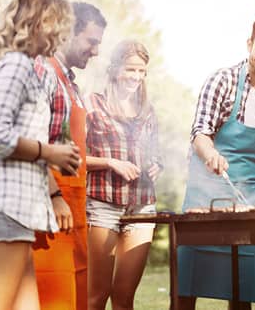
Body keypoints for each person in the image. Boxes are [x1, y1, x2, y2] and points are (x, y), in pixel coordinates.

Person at [0, 0, 81, 310]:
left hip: (14, 212)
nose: (62, 36)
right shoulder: (16, 66)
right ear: (39, 24)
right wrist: (49, 152)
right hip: (2, 207)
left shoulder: (16, 65)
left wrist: (50, 162)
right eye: (60, 25)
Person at [179, 16, 255, 310]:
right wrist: (211, 155)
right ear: (249, 45)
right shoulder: (222, 81)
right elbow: (200, 133)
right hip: (203, 200)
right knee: (184, 293)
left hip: (248, 205)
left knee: (241, 295)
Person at [32, 1, 107, 310]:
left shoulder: (71, 83)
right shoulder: (43, 71)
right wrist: (53, 195)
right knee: (53, 296)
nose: (96, 51)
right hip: (51, 205)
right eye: (92, 41)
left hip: (74, 206)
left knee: (76, 295)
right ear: (66, 33)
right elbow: (30, 137)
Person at [85, 40, 163, 310]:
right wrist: (110, 163)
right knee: (96, 296)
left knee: (124, 297)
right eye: (131, 69)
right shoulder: (93, 103)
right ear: (116, 68)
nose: (136, 77)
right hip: (102, 204)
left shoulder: (147, 110)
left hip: (142, 207)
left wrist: (156, 166)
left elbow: (156, 154)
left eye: (142, 71)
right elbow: (73, 156)